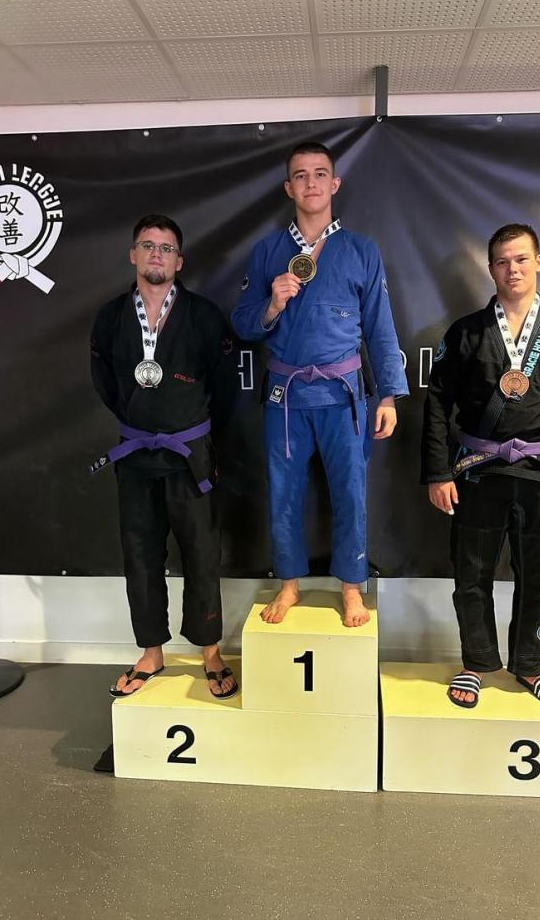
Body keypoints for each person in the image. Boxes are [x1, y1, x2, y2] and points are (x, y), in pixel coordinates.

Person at [421, 223, 540, 710]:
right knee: (471, 573)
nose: (513, 269)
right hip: (478, 470)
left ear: (538, 262)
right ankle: (476, 662)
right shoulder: (466, 332)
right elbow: (437, 405)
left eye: (522, 259)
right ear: (490, 269)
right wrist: (438, 472)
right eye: (502, 262)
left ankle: (529, 664)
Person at [232, 141, 408, 626]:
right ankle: (288, 584)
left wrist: (388, 395)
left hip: (343, 396)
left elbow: (380, 327)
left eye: (319, 174)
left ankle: (351, 587)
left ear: (334, 184)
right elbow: (244, 324)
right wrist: (272, 303)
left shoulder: (361, 251)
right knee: (283, 494)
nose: (310, 183)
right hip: (286, 397)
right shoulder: (267, 252)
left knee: (350, 493)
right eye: (300, 175)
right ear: (289, 188)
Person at [90, 214, 238, 699]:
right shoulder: (111, 318)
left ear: (180, 261)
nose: (157, 254)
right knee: (140, 553)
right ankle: (151, 650)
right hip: (136, 455)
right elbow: (105, 382)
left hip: (190, 453)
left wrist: (190, 425)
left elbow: (224, 387)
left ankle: (210, 651)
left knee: (202, 553)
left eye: (167, 248)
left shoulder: (204, 316)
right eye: (148, 245)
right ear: (133, 254)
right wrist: (140, 421)